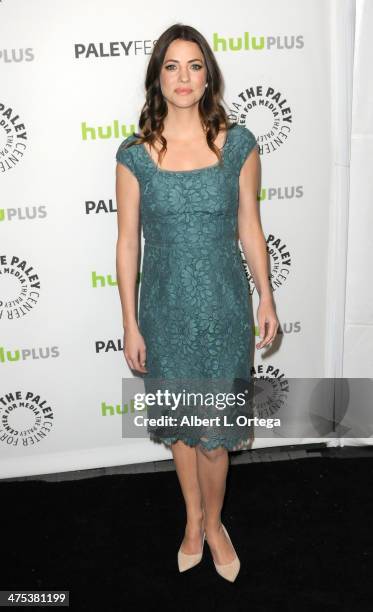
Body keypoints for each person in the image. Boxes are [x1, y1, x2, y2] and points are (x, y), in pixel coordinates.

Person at [115, 23, 279, 582]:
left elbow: (251, 229)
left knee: (215, 437)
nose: (183, 78)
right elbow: (126, 242)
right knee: (182, 428)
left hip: (225, 309)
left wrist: (267, 298)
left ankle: (215, 525)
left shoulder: (238, 145)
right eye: (171, 66)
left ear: (208, 75)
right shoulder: (134, 156)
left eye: (194, 66)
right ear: (157, 77)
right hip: (163, 313)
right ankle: (191, 519)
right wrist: (130, 323)